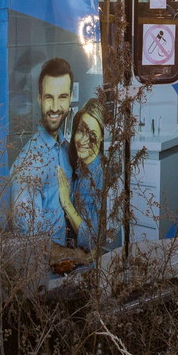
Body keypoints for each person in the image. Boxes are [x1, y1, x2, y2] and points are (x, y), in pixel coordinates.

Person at [8, 57, 74, 245]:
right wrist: (79, 257)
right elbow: (32, 247)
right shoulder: (27, 168)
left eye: (62, 97)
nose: (54, 107)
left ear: (70, 98)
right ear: (39, 99)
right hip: (49, 272)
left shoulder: (67, 150)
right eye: (48, 98)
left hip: (72, 264)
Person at [58, 96, 117, 252]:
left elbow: (91, 239)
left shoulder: (95, 176)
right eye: (80, 131)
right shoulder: (86, 166)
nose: (83, 140)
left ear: (102, 136)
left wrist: (66, 203)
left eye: (91, 133)